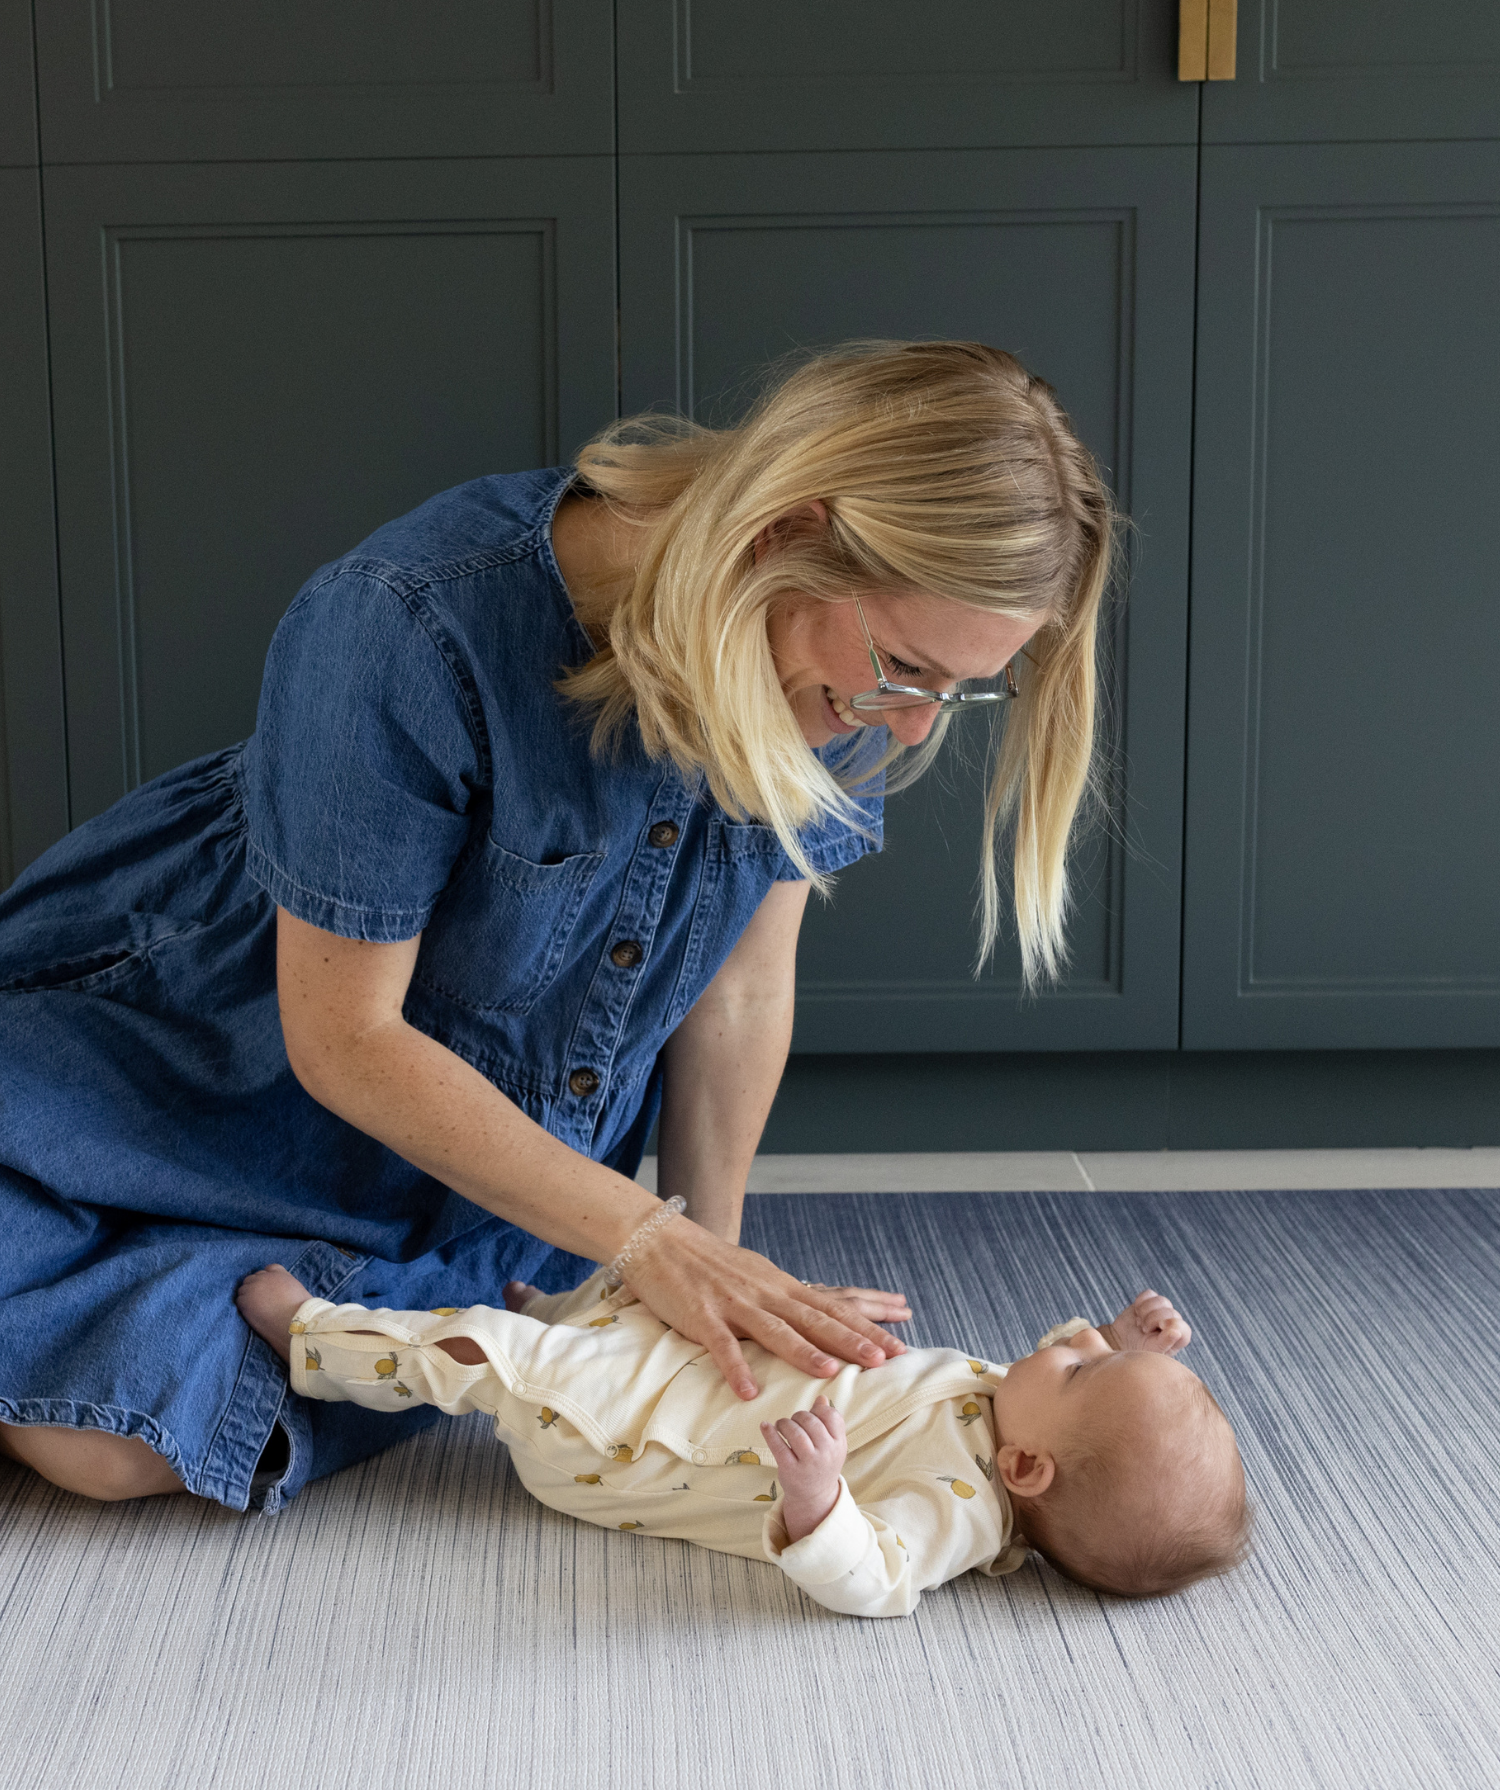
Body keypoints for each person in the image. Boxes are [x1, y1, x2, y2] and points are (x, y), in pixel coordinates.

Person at [0, 341, 1113, 1512]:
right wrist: (649, 1243)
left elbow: (740, 989)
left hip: (485, 1173)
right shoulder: (404, 621)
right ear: (786, 531)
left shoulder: (853, 680)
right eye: (909, 669)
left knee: (117, 1451)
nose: (909, 723)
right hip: (186, 1069)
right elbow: (343, 1038)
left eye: (960, 688)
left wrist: (705, 1277)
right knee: (99, 1412)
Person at [235, 1254, 1250, 1614]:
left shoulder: (963, 1507)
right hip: (703, 1381)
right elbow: (1062, 1384)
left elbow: (880, 1579)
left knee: (484, 1354)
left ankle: (315, 1338)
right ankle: (562, 1310)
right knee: (644, 1295)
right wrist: (1119, 1341)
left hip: (637, 1442)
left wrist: (821, 1504)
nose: (1066, 1339)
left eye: (1085, 1361)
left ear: (1027, 1468)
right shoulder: (1024, 1424)